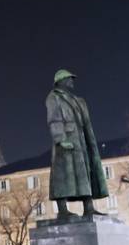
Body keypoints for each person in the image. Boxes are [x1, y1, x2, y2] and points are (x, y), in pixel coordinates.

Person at [45, 70, 108, 219]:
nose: (72, 81)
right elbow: (54, 119)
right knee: (62, 176)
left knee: (84, 173)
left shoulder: (77, 100)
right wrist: (60, 139)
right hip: (66, 141)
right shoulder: (54, 97)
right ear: (61, 81)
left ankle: (89, 208)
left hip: (80, 140)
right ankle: (62, 210)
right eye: (69, 79)